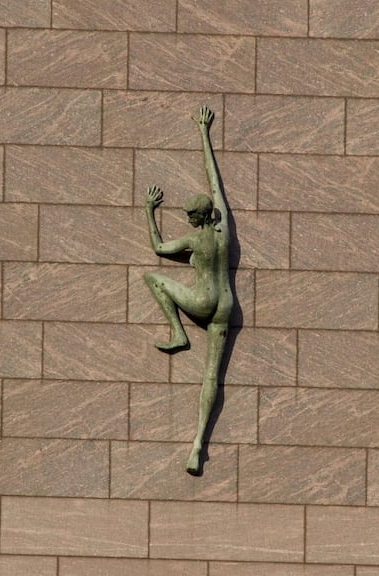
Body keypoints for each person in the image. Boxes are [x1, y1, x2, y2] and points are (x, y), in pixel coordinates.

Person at [143, 106, 233, 474]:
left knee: (154, 277)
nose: (188, 220)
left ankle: (179, 332)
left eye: (189, 215)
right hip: (226, 306)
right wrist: (204, 133)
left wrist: (149, 211)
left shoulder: (195, 240)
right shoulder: (223, 231)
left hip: (201, 301)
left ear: (196, 218)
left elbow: (159, 249)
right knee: (211, 376)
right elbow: (215, 182)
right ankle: (198, 443)